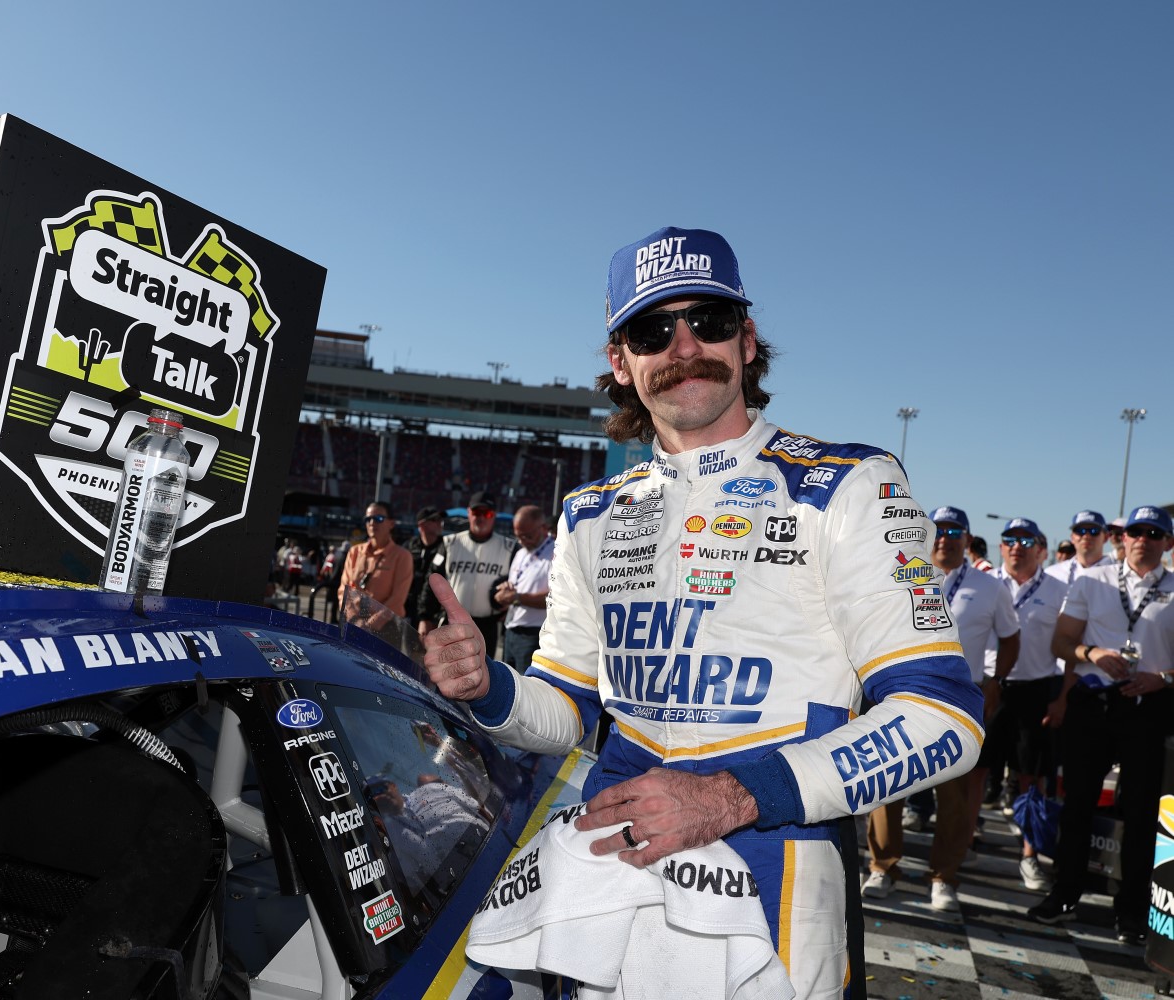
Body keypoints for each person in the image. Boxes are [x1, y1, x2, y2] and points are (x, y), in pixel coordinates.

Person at [420, 225, 983, 997]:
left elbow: (944, 720)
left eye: (709, 321)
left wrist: (729, 796)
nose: (685, 346)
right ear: (622, 364)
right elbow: (566, 709)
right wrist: (490, 688)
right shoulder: (591, 512)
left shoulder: (850, 484)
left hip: (778, 867)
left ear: (747, 341)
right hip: (610, 862)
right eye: (654, 330)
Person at [1030, 505, 1174, 944]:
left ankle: (1131, 910)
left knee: (1141, 812)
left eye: (1154, 532)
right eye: (1135, 531)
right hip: (1093, 703)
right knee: (1077, 806)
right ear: (1122, 537)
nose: (1142, 539)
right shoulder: (1093, 581)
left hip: (1150, 705)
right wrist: (1092, 654)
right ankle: (1064, 893)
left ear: (1167, 542)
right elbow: (1062, 641)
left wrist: (1162, 678)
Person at [864, 507, 1018, 912]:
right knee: (887, 785)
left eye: (955, 531)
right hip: (901, 694)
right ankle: (882, 867)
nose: (945, 537)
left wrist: (996, 681)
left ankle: (944, 875)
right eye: (939, 530)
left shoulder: (990, 586)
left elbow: (1011, 638)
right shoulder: (898, 572)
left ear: (967, 539)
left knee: (954, 794)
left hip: (957, 701)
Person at [981, 519, 1066, 892]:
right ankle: (963, 841)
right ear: (1001, 548)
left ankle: (1030, 856)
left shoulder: (1060, 589)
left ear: (1039, 548)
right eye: (1009, 540)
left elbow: (1068, 647)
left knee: (1031, 778)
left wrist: (1060, 696)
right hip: (989, 688)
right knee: (974, 771)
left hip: (1035, 690)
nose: (1017, 546)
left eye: (1025, 540)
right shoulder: (985, 584)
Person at [419, 491, 517, 657]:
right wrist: (425, 617)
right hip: (452, 622)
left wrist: (510, 607)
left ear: (494, 516)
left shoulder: (509, 547)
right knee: (446, 673)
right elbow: (432, 581)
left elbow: (521, 584)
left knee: (484, 676)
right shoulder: (450, 543)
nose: (481, 517)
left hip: (487, 625)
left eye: (486, 513)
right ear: (469, 513)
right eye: (476, 512)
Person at [494, 505, 554, 672]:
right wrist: (506, 590)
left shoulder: (556, 553)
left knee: (527, 691)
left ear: (543, 528)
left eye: (527, 535)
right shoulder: (521, 553)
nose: (522, 541)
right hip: (511, 630)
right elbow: (517, 585)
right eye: (518, 536)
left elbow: (555, 598)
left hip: (534, 634)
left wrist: (516, 597)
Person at [339, 502, 413, 621]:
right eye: (368, 519)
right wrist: (353, 618)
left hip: (386, 627)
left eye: (379, 518)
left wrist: (370, 625)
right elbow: (344, 590)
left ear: (391, 523)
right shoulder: (355, 552)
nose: (372, 523)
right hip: (353, 624)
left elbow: (397, 599)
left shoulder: (402, 556)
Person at [1045, 510, 1113, 588]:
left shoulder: (1119, 574)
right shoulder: (1052, 574)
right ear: (1072, 538)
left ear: (1106, 537)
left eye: (1094, 531)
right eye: (1080, 531)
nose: (1086, 536)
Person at [404, 506, 447, 625]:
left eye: (441, 520)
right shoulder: (410, 546)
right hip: (407, 610)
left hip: (432, 614)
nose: (440, 523)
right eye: (435, 520)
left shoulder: (445, 548)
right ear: (422, 525)